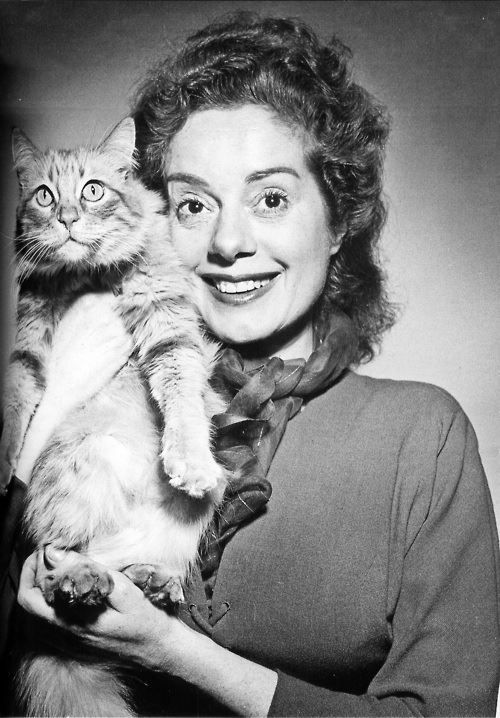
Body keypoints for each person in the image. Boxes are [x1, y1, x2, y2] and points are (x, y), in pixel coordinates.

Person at [7, 13, 500, 717]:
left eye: (270, 198)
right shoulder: (92, 393)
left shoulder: (421, 436)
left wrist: (175, 652)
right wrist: (55, 402)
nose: (228, 243)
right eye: (193, 203)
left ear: (339, 221)